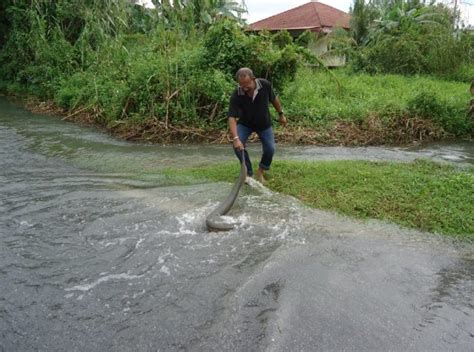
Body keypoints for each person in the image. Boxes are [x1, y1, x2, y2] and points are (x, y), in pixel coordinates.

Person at [227, 68, 287, 183]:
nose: (244, 88)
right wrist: (236, 139)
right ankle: (248, 173)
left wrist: (281, 114)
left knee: (270, 149)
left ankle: (261, 170)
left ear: (253, 79)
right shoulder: (237, 93)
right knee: (237, 147)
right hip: (245, 124)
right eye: (241, 85)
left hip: (264, 123)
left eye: (247, 85)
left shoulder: (265, 85)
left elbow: (274, 99)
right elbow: (231, 117)